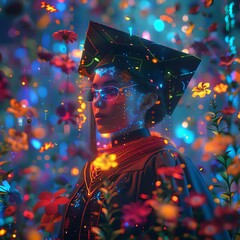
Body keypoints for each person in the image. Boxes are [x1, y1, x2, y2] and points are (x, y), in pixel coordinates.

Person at [60, 21, 230, 239]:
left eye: (111, 91)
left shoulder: (164, 163)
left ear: (148, 100)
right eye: (95, 92)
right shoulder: (93, 169)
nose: (98, 103)